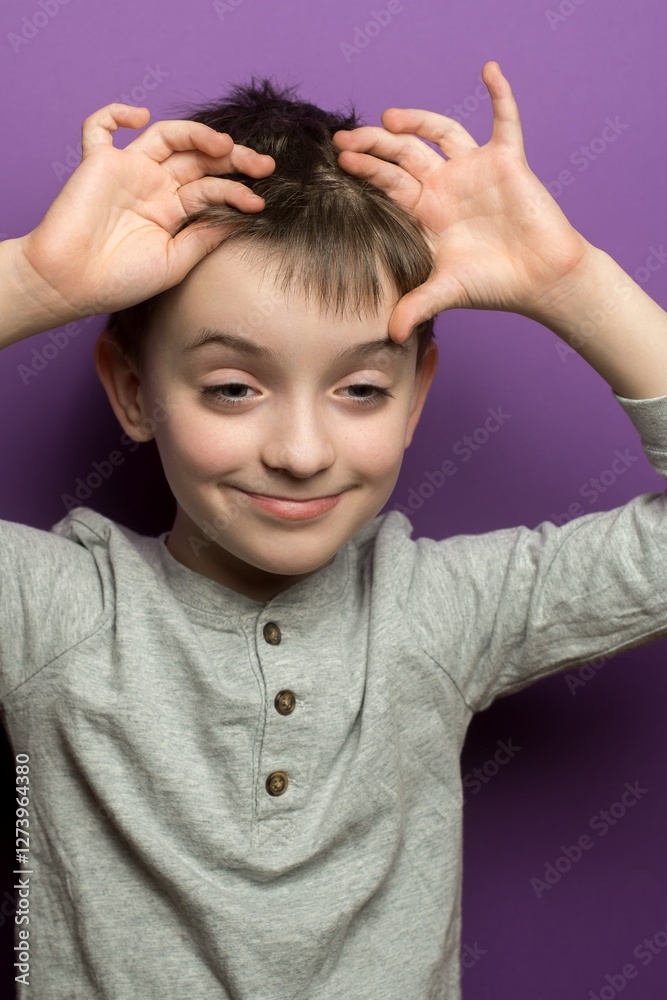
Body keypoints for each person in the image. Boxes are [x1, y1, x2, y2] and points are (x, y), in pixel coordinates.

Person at [1, 59, 667, 999]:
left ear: (413, 400)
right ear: (131, 390)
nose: (303, 451)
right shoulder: (51, 612)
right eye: (234, 387)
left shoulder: (442, 611)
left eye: (360, 389)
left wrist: (571, 284)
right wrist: (32, 279)